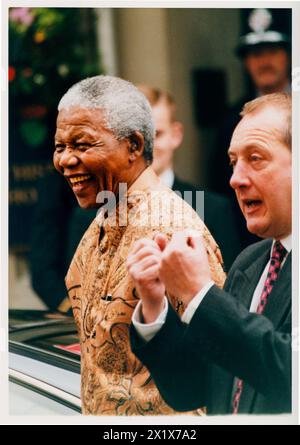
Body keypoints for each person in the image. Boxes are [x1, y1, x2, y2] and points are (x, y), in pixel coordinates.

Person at [53, 75, 225, 415]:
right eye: (60, 146)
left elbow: (221, 368)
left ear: (133, 145)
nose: (66, 160)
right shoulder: (103, 217)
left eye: (82, 144)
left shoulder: (172, 229)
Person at [128, 93, 292, 415]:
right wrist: (153, 303)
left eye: (255, 158)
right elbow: (191, 389)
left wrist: (198, 294)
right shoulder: (251, 262)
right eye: (234, 163)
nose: (236, 179)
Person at [137, 85, 242, 270]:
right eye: (135, 137)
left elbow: (230, 289)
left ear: (176, 135)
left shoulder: (214, 210)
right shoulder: (92, 215)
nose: (147, 147)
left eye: (157, 134)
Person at [212, 8, 291, 249]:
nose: (264, 61)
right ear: (246, 61)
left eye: (271, 51)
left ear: (288, 54)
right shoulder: (229, 122)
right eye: (255, 53)